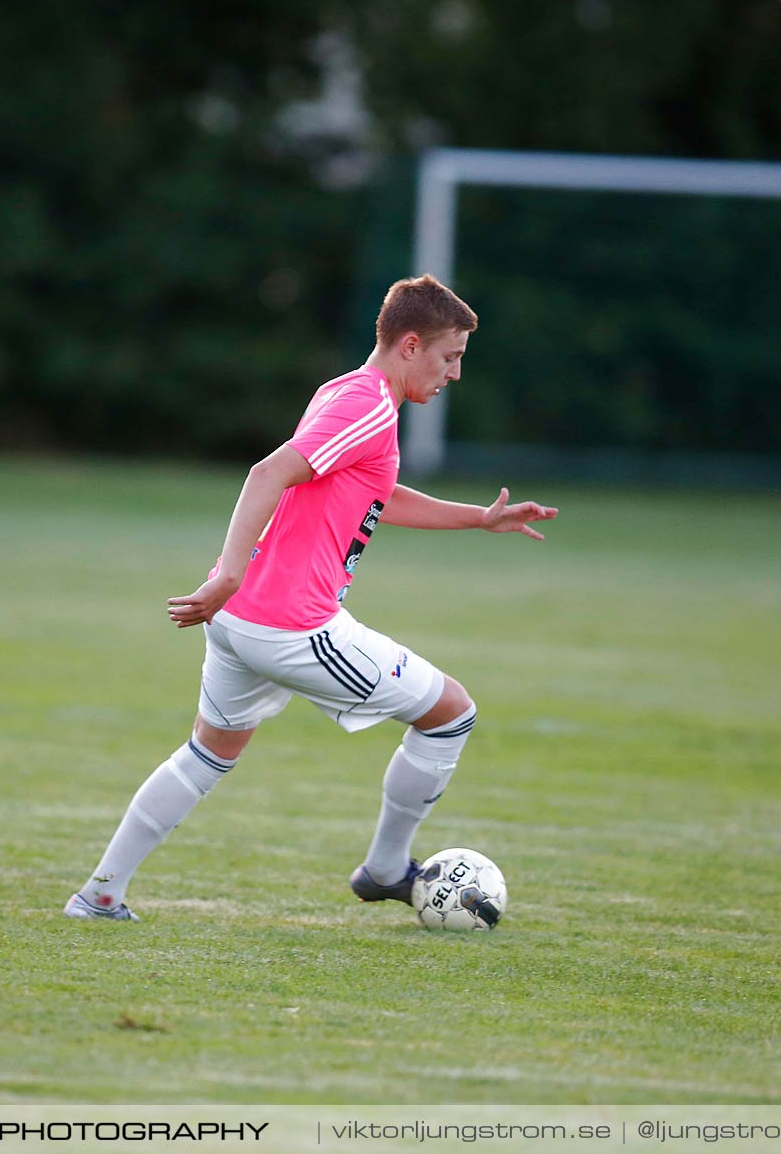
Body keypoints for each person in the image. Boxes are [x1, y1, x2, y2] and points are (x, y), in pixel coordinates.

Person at [65, 275, 557, 922]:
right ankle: (385, 869)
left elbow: (375, 493)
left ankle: (98, 894)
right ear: (411, 345)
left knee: (207, 754)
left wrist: (477, 518)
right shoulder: (370, 406)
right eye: (451, 356)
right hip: (292, 627)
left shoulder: (347, 393)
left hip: (238, 623)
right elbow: (267, 472)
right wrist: (230, 573)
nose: (455, 374)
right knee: (450, 714)